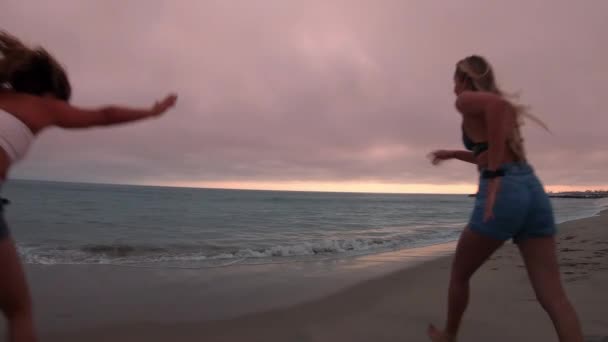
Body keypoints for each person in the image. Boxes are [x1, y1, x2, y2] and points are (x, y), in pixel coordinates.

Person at [0, 30, 177, 342]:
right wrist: (153, 112)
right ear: (50, 93)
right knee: (19, 312)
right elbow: (104, 115)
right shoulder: (43, 106)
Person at [427, 55, 583, 342]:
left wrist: (495, 174)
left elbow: (497, 115)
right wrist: (452, 154)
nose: (453, 87)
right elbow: (487, 150)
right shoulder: (495, 111)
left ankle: (449, 334)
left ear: (462, 79)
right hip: (531, 190)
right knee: (554, 296)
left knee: (459, 275)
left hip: (504, 191)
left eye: (453, 80)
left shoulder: (467, 100)